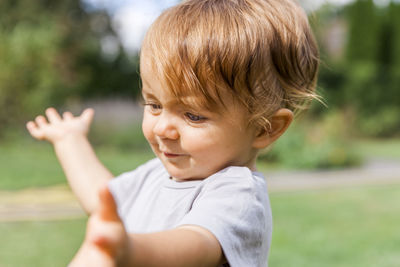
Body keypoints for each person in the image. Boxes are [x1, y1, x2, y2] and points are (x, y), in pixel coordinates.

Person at [26, 0, 319, 266]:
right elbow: (104, 201)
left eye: (193, 115)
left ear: (265, 128)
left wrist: (129, 250)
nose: (163, 128)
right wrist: (70, 142)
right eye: (153, 104)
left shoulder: (237, 193)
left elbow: (194, 244)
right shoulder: (156, 175)